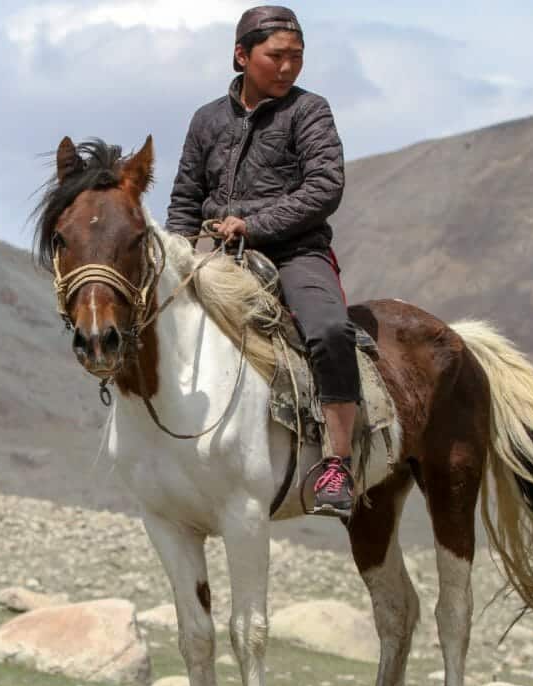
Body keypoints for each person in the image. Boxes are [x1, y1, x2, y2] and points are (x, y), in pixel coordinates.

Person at [165, 5, 360, 520]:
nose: (289, 67)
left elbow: (325, 186)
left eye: (296, 57)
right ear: (241, 55)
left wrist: (253, 225)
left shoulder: (309, 110)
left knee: (329, 330)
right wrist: (177, 257)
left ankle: (337, 465)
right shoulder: (206, 120)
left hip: (297, 252)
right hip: (216, 256)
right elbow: (185, 198)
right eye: (277, 56)